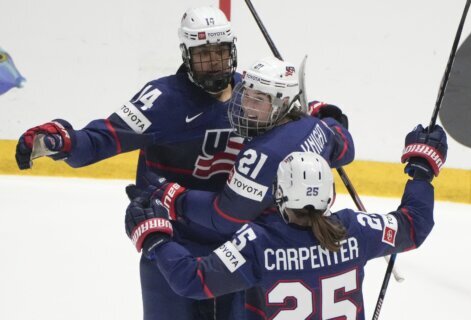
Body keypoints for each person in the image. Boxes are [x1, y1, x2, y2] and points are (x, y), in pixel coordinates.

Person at [14, 6, 245, 320]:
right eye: (203, 55)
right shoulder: (164, 99)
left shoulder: (253, 95)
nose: (213, 63)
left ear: (232, 50)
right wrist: (66, 141)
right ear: (186, 55)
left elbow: (292, 134)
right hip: (171, 241)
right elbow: (104, 137)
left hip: (239, 243)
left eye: (220, 53)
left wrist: (318, 117)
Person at [124, 123, 448, 319]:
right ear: (330, 194)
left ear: (278, 194)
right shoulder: (356, 230)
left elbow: (192, 281)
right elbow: (414, 223)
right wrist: (421, 170)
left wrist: (155, 238)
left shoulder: (259, 244)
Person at [133, 56, 354, 240]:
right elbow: (346, 149)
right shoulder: (314, 126)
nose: (246, 106)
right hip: (311, 235)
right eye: (245, 95)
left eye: (257, 100)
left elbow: (224, 218)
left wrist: (173, 197)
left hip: (275, 248)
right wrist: (329, 117)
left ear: (284, 103)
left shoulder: (262, 154)